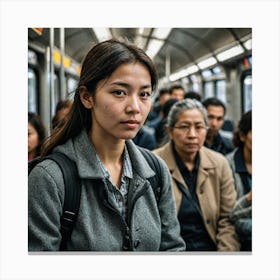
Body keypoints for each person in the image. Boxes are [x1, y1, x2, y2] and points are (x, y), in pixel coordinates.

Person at [28, 39, 185, 252]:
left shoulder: (155, 170)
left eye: (144, 94)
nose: (135, 108)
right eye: (119, 92)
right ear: (87, 97)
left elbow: (172, 248)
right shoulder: (50, 179)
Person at [153, 99, 240, 251]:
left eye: (199, 127)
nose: (192, 135)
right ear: (170, 131)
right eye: (184, 127)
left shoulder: (219, 163)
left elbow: (228, 219)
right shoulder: (153, 165)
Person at [226, 110, 252, 251]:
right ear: (242, 136)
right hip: (237, 240)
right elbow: (229, 216)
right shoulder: (226, 165)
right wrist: (248, 199)